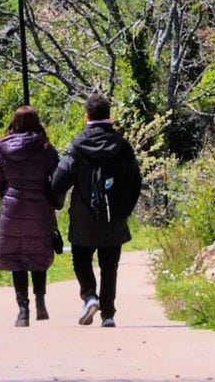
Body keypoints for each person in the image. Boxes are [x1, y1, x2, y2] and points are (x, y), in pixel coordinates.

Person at [51, 93, 142, 328]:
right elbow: (135, 181)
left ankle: (90, 296)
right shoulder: (122, 146)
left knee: (81, 260)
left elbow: (59, 180)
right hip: (114, 218)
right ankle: (108, 314)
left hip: (83, 218)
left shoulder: (78, 145)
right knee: (109, 266)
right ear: (109, 116)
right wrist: (125, 209)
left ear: (87, 116)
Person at [0, 105, 61, 327]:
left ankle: (22, 311)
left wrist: (7, 195)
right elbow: (58, 178)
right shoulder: (46, 148)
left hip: (12, 208)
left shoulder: (2, 150)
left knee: (17, 257)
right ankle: (40, 300)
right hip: (39, 206)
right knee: (37, 254)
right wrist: (53, 200)